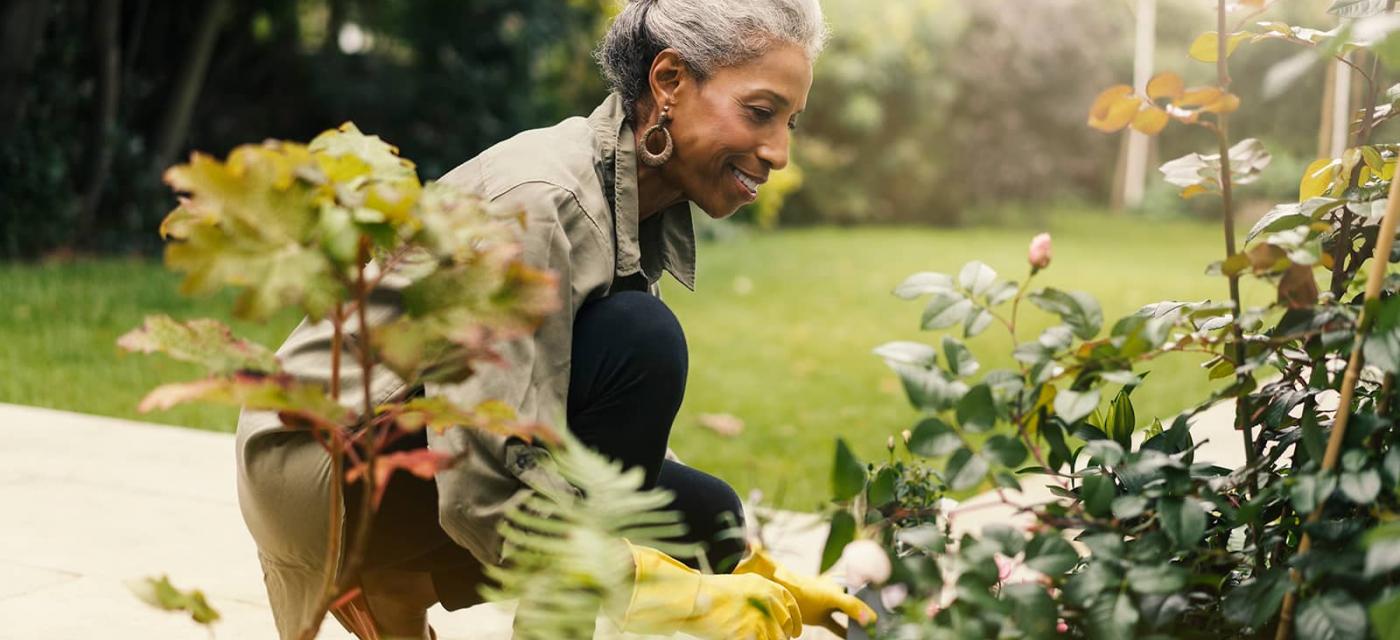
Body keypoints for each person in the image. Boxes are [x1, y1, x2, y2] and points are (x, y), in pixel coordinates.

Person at [235, 1, 873, 638]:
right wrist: (654, 587)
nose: (780, 152)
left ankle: (401, 583)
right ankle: (394, 580)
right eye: (761, 114)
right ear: (670, 82)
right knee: (642, 341)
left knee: (705, 514)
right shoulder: (543, 201)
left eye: (791, 122)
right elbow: (479, 481)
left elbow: (605, 425)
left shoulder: (634, 194)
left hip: (409, 446)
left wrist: (749, 572)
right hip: (322, 463)